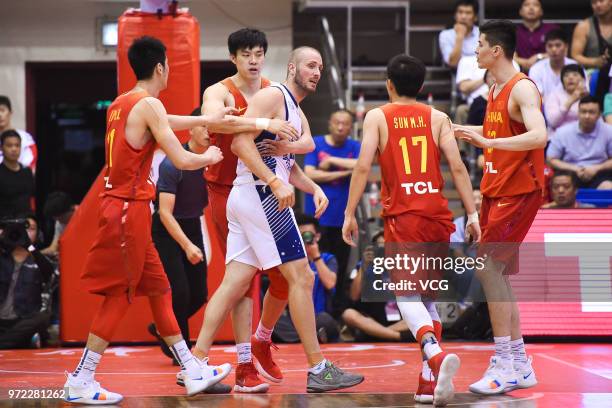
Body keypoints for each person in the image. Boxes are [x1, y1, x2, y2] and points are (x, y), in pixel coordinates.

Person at [62, 36, 237, 404]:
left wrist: (207, 118)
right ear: (161, 67)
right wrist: (211, 156)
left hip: (128, 209)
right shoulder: (149, 105)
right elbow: (184, 159)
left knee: (160, 290)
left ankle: (190, 369)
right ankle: (81, 377)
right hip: (127, 210)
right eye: (169, 64)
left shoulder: (123, 103)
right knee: (118, 297)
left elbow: (166, 120)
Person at [192, 46, 364, 394]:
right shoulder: (273, 96)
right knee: (302, 276)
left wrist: (312, 185)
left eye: (320, 67)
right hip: (260, 194)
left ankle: (195, 362)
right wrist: (272, 181)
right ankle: (316, 367)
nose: (317, 72)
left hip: (251, 194)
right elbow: (240, 144)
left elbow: (287, 160)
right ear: (292, 68)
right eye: (310, 66)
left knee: (234, 283)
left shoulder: (292, 106)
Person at [343, 54, 481, 405]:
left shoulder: (377, 116)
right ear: (421, 87)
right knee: (427, 297)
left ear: (389, 84)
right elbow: (459, 169)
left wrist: (349, 213)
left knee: (406, 296)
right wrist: (473, 213)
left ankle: (433, 354)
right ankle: (428, 380)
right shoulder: (438, 117)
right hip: (437, 215)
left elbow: (362, 168)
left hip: (404, 216)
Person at [195, 28, 309, 392]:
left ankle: (258, 341)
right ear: (233, 58)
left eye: (259, 53)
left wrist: (307, 179)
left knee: (279, 278)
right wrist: (262, 123)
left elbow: (301, 138)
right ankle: (244, 362)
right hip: (227, 190)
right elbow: (212, 122)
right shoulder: (218, 91)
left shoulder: (274, 90)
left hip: (263, 185)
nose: (254, 60)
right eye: (246, 54)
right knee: (244, 282)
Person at [453, 20, 547, 395]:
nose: (474, 51)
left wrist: (488, 139)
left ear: (496, 51)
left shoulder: (521, 88)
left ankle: (505, 362)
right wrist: (479, 136)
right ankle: (520, 363)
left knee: (489, 270)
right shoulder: (491, 90)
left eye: (479, 45)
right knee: (499, 275)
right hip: (496, 189)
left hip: (520, 190)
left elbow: (539, 135)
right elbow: (500, 140)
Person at [148, 107, 231, 391]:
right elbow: (165, 214)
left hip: (191, 225)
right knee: (180, 292)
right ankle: (183, 358)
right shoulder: (173, 164)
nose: (210, 132)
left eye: (213, 127)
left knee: (199, 294)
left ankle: (164, 329)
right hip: (167, 229)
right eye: (205, 126)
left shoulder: (212, 161)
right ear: (191, 129)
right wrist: (187, 246)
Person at [304, 109, 360, 314]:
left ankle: (335, 314)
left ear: (351, 127)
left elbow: (363, 165)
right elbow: (310, 174)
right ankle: (314, 311)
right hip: (317, 219)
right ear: (329, 123)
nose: (340, 127)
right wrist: (348, 172)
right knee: (314, 265)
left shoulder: (354, 146)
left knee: (341, 267)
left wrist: (333, 163)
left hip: (343, 219)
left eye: (345, 123)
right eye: (337, 122)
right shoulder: (316, 143)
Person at [273, 213, 339, 344]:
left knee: (325, 320)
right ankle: (307, 337)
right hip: (294, 322)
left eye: (308, 235)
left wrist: (316, 257)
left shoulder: (327, 259)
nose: (305, 239)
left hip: (319, 318)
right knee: (274, 322)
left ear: (318, 237)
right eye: (300, 236)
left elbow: (330, 283)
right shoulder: (289, 261)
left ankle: (302, 338)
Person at [341, 231, 411, 342]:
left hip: (399, 323)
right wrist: (364, 266)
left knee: (426, 314)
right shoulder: (363, 266)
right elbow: (353, 296)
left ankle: (379, 334)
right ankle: (395, 336)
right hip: (372, 321)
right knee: (349, 314)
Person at [0, 215, 54, 349]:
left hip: (23, 319)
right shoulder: (2, 257)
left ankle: (4, 343)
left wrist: (29, 246)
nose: (25, 233)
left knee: (42, 318)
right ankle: (11, 342)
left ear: (38, 233)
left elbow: (49, 273)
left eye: (31, 229)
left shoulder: (39, 259)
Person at [547, 96, 612, 189]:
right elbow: (551, 160)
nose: (587, 116)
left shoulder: (609, 131)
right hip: (570, 173)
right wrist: (575, 169)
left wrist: (596, 168)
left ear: (599, 115)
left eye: (591, 112)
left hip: (600, 173)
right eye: (583, 112)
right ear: (578, 113)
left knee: (608, 187)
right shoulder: (562, 132)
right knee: (561, 188)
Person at [528, 30, 579, 103]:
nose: (554, 49)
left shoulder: (576, 66)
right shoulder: (536, 69)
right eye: (550, 46)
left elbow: (582, 93)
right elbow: (537, 98)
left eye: (558, 45)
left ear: (566, 46)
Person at [544, 65, 590, 136]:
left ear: (583, 80)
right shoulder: (554, 96)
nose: (570, 78)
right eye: (566, 75)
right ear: (562, 81)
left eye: (575, 75)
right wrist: (572, 100)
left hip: (583, 137)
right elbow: (553, 122)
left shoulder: (588, 98)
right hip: (558, 137)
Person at [514, 0, 560, 71]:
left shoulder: (553, 29)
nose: (531, 8)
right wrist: (526, 63)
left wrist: (539, 57)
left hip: (547, 72)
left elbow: (561, 52)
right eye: (526, 5)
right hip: (519, 73)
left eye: (535, 5)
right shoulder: (513, 31)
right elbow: (509, 55)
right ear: (520, 11)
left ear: (541, 11)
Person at [0, 130, 35, 219]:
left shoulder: (27, 172)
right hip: (4, 225)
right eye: (9, 145)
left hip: (25, 224)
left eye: (17, 145)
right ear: (1, 148)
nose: (14, 149)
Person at [438, 0, 480, 69]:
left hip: (480, 72)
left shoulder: (482, 33)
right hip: (457, 74)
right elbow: (453, 63)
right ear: (455, 15)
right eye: (460, 12)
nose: (463, 16)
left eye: (468, 13)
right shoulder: (445, 35)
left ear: (475, 17)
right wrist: (460, 36)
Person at [571, 0, 612, 69]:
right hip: (592, 74)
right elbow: (575, 56)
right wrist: (595, 62)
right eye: (594, 2)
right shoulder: (583, 26)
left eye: (601, 1)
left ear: (610, 2)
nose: (598, 5)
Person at [0, 96, 37, 171]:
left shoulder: (25, 139)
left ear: (10, 113)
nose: (0, 115)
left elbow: (29, 168)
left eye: (2, 110)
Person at [41, 191, 78, 257]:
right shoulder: (59, 223)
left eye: (61, 218)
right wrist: (34, 254)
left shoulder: (85, 215)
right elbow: (53, 249)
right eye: (56, 219)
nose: (59, 221)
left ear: (71, 208)